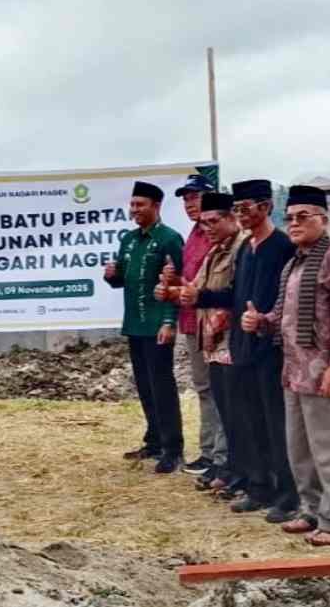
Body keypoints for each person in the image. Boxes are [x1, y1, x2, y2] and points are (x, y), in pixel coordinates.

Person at [243, 185, 330, 547]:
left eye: (302, 216)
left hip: (324, 373)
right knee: (301, 451)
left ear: (322, 220)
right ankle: (311, 510)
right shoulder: (294, 263)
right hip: (294, 371)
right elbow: (283, 316)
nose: (293, 223)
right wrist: (261, 321)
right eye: (289, 217)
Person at [180, 179, 298, 522]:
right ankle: (258, 488)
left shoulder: (281, 247)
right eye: (237, 209)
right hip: (242, 347)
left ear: (266, 207)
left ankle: (286, 494)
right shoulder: (248, 248)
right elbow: (235, 296)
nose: (242, 215)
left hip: (271, 348)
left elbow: (286, 300)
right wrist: (201, 297)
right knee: (251, 421)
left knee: (275, 424)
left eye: (246, 208)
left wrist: (265, 321)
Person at [160, 192, 248, 493]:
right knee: (218, 399)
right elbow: (195, 288)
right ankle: (223, 463)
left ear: (231, 217)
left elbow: (234, 296)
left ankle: (231, 465)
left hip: (234, 339)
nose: (207, 227)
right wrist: (173, 290)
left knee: (235, 405)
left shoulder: (242, 248)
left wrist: (194, 295)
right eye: (204, 223)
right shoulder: (214, 250)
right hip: (211, 338)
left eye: (213, 221)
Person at [104, 181, 186, 474]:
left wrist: (169, 321)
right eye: (132, 204)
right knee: (145, 386)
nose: (134, 210)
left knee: (162, 386)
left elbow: (176, 283)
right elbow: (122, 279)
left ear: (156, 206)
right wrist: (111, 276)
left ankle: (173, 449)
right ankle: (154, 442)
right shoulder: (129, 239)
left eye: (140, 205)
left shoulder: (169, 239)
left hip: (157, 326)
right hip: (135, 325)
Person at [170, 174, 223, 477]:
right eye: (186, 199)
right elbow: (190, 282)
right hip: (192, 321)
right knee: (204, 388)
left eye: (195, 197)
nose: (189, 204)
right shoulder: (193, 235)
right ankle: (209, 452)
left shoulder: (217, 236)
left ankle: (220, 456)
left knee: (219, 389)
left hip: (215, 323)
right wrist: (174, 284)